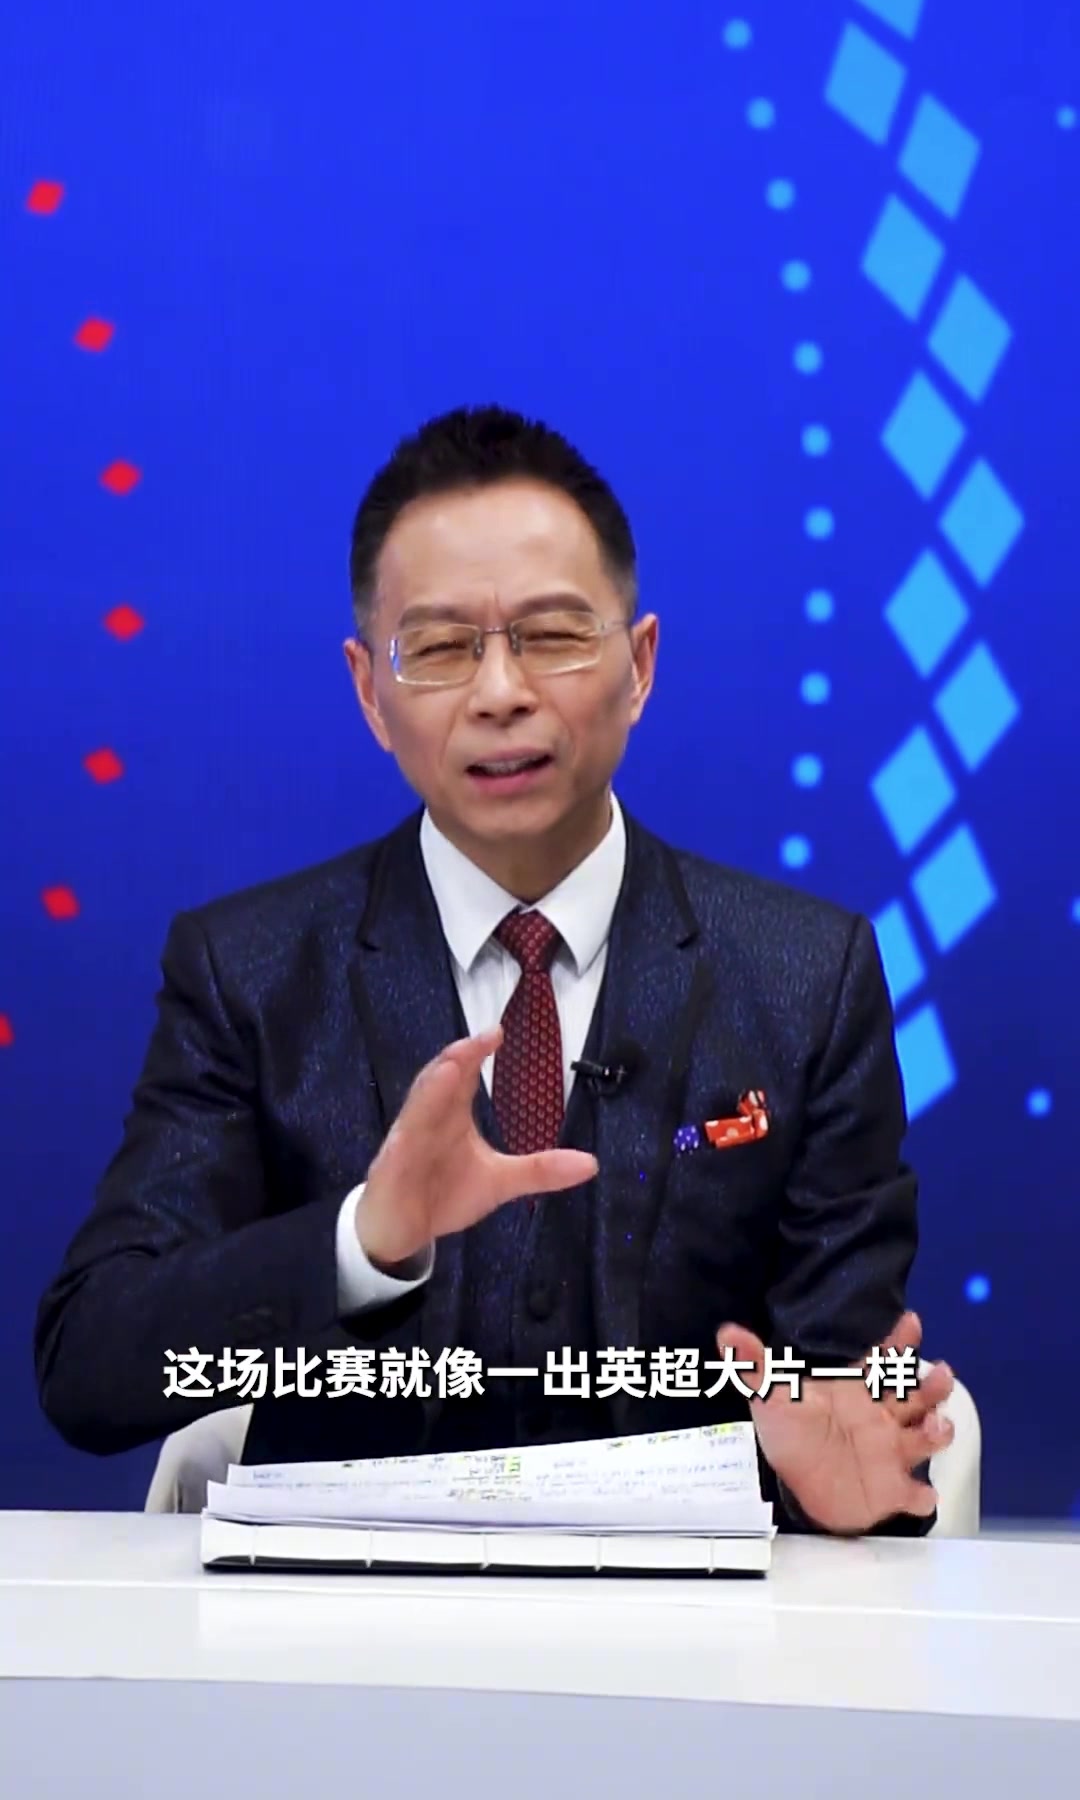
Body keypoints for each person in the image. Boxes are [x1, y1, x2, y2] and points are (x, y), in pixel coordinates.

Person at [34, 405, 954, 1534]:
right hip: (337, 1624)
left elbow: (850, 1395)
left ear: (640, 665)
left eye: (553, 635)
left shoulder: (806, 977)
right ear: (369, 692)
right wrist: (363, 1241)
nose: (501, 691)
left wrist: (841, 1501)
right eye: (440, 649)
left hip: (700, 1627)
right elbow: (90, 1364)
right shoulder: (252, 974)